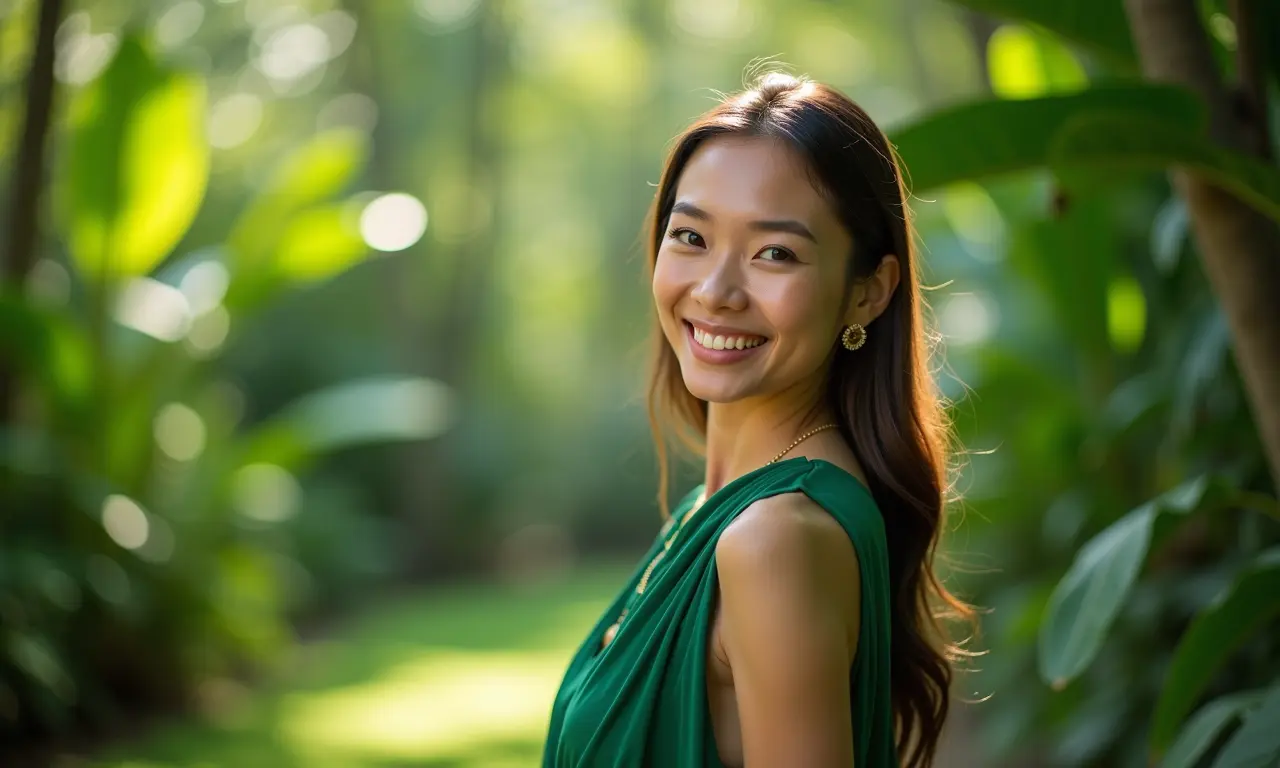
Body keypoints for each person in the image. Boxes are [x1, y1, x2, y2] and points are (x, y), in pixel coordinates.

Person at [542, 72, 974, 768]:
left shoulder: (773, 540)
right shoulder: (713, 512)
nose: (715, 292)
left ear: (867, 293)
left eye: (775, 252)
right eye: (690, 236)